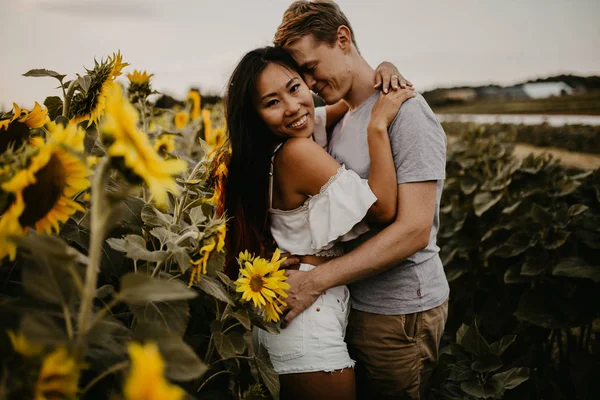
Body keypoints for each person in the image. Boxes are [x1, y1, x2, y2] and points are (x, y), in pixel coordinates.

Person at [273, 1, 450, 399]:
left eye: (311, 67)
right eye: (301, 74)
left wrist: (313, 281)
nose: (309, 83)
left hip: (398, 310)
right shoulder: (343, 115)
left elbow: (414, 231)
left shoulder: (407, 114)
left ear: (343, 38)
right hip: (354, 299)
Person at [223, 46, 414, 400]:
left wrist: (384, 69)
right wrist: (377, 127)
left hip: (295, 316)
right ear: (256, 115)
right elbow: (384, 209)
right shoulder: (297, 153)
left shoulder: (278, 145)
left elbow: (346, 100)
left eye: (294, 87)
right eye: (272, 102)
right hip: (306, 324)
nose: (294, 106)